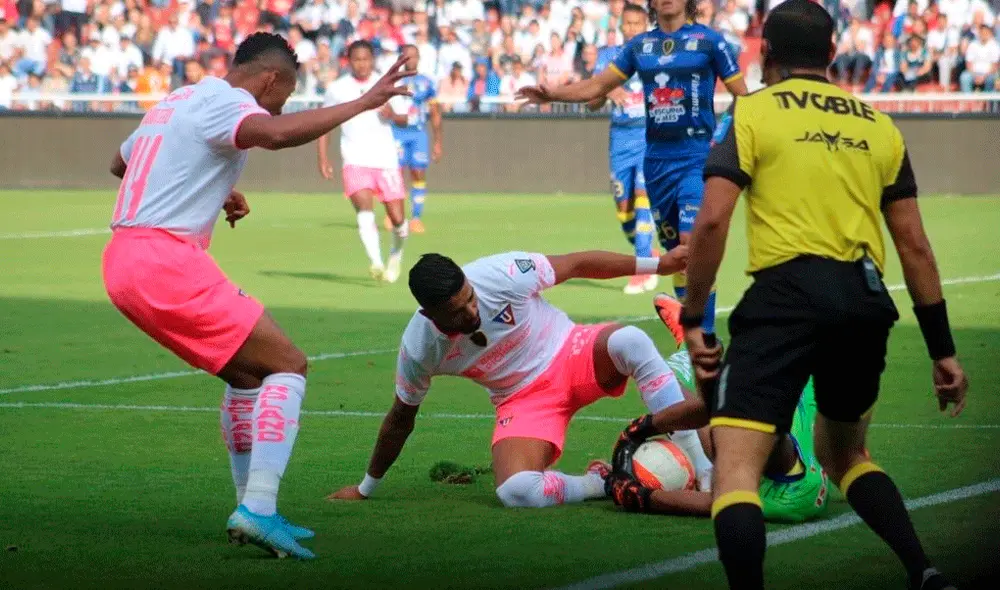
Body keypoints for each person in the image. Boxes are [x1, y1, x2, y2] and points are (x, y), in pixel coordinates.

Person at [677, 2, 968, 589]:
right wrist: (943, 350)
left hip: (783, 296)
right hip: (862, 303)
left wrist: (693, 316)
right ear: (832, 56)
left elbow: (710, 222)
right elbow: (912, 244)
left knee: (735, 468)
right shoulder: (878, 124)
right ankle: (925, 570)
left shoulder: (753, 112)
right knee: (845, 457)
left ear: (764, 53)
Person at [102, 32, 412, 560]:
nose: (280, 105)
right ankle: (258, 509)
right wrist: (361, 103)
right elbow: (271, 135)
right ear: (270, 79)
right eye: (284, 95)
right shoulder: (230, 102)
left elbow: (121, 162)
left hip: (124, 261)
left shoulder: (181, 97)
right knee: (288, 364)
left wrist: (216, 185)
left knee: (248, 377)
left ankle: (254, 505)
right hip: (165, 260)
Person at [327, 247, 723, 508]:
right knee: (515, 491)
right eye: (457, 310)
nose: (472, 310)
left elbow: (578, 264)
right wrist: (366, 487)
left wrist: (663, 264)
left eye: (470, 297)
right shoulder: (419, 348)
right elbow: (401, 417)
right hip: (523, 401)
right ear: (431, 316)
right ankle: (602, 482)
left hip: (573, 352)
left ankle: (702, 467)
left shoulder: (499, 274)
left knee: (631, 341)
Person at [517, 0, 747, 337]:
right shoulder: (640, 47)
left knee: (691, 242)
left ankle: (701, 330)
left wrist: (721, 138)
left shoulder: (711, 41)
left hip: (696, 158)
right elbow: (597, 87)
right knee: (677, 257)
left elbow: (744, 97)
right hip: (656, 163)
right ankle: (693, 332)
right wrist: (552, 94)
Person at [599, 298, 829, 523]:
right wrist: (645, 426)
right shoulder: (788, 414)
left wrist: (637, 496)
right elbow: (711, 410)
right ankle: (696, 341)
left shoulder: (780, 501)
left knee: (664, 381)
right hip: (798, 376)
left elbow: (708, 503)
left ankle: (693, 342)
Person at [318, 40, 410, 284]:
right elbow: (325, 123)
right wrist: (323, 157)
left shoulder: (386, 84)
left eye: (366, 59)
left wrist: (393, 115)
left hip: (386, 159)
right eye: (356, 59)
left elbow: (405, 119)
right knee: (364, 209)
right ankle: (376, 262)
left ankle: (395, 255)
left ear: (373, 60)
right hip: (355, 158)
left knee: (398, 219)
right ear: (349, 61)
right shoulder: (338, 89)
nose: (362, 64)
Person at [589, 3, 659, 296]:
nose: (631, 28)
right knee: (624, 212)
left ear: (646, 26)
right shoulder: (608, 57)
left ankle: (642, 271)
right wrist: (606, 88)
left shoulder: (656, 53)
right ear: (620, 26)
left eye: (637, 24)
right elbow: (592, 103)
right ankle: (647, 253)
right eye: (627, 23)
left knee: (644, 200)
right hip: (619, 140)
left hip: (648, 135)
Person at [382, 44, 443, 234]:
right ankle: (393, 214)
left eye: (414, 56)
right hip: (396, 133)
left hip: (418, 133)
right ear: (401, 59)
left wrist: (438, 141)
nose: (411, 60)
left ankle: (416, 217)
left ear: (419, 58)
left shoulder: (427, 82)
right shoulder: (391, 81)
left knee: (418, 173)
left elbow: (435, 113)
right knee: (396, 174)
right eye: (407, 57)